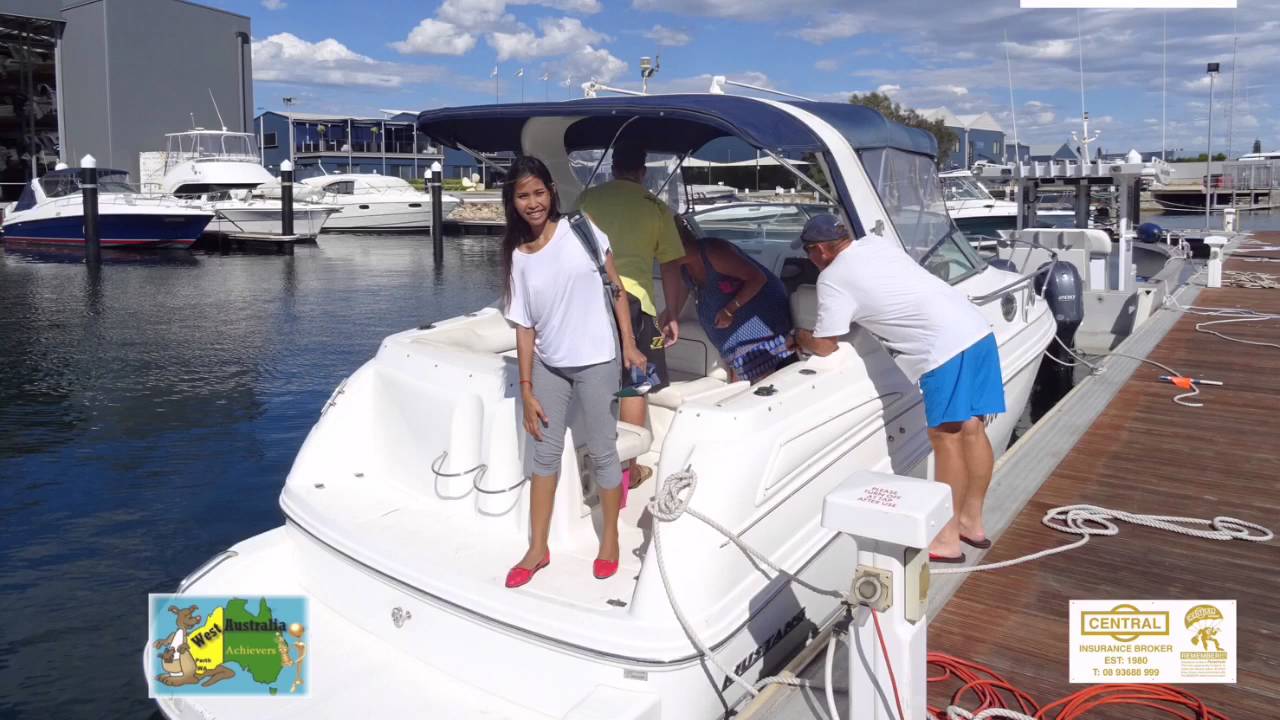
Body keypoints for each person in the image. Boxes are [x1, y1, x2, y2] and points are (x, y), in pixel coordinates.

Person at [792, 214, 1005, 563]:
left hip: (942, 348)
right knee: (972, 428)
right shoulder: (875, 244)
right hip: (976, 330)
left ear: (819, 251)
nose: (809, 260)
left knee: (946, 437)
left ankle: (946, 539)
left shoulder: (832, 278)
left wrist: (798, 337)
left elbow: (826, 344)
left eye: (808, 253)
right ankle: (972, 523)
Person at [501, 156, 647, 588]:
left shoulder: (582, 229)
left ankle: (610, 540)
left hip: (598, 360)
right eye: (523, 196)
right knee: (543, 456)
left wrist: (630, 344)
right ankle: (537, 548)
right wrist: (526, 390)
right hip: (549, 366)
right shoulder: (517, 256)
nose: (533, 203)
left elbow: (616, 289)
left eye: (539, 193)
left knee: (603, 451)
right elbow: (525, 328)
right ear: (512, 201)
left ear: (551, 192)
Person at [578, 139, 685, 491]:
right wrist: (672, 312)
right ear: (642, 171)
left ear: (612, 168)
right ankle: (628, 472)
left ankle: (594, 460)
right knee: (634, 389)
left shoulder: (588, 199)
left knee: (595, 382)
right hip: (638, 306)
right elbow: (670, 266)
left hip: (591, 305)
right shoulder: (656, 207)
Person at [664, 216, 796, 382]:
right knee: (740, 382)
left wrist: (729, 309)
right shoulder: (681, 264)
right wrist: (670, 316)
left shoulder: (714, 252)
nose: (660, 258)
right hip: (731, 337)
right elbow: (685, 289)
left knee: (761, 383)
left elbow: (757, 278)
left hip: (760, 323)